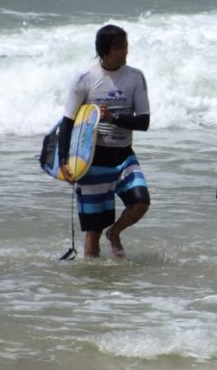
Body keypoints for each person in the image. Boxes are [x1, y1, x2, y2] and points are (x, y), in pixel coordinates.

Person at [58, 24, 151, 258]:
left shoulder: (135, 77)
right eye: (119, 47)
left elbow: (143, 122)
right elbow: (67, 122)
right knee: (93, 231)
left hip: (123, 155)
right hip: (92, 159)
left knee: (141, 201)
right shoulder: (85, 79)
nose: (125, 51)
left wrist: (113, 118)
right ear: (105, 50)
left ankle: (116, 232)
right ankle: (95, 284)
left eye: (126, 46)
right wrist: (63, 162)